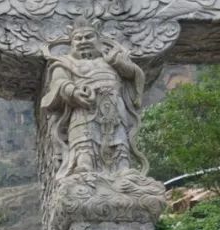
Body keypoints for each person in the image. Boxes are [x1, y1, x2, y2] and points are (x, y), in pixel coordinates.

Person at [40, 18, 146, 178]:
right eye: (78, 38)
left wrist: (118, 63)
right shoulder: (65, 62)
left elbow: (135, 74)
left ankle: (122, 167)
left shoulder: (111, 59)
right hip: (84, 106)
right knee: (84, 138)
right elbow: (59, 81)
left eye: (88, 37)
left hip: (114, 104)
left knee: (119, 138)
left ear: (98, 39)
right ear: (72, 42)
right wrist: (73, 92)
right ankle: (84, 164)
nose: (83, 41)